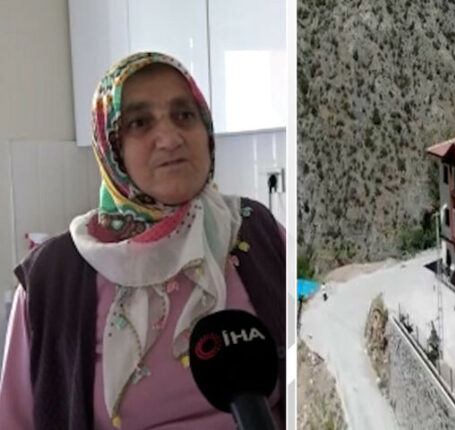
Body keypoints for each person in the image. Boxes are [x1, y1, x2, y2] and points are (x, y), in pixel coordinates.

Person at [0, 52, 286, 429]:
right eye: (139, 122)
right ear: (110, 146)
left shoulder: (255, 230)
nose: (170, 138)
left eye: (184, 115)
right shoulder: (52, 279)